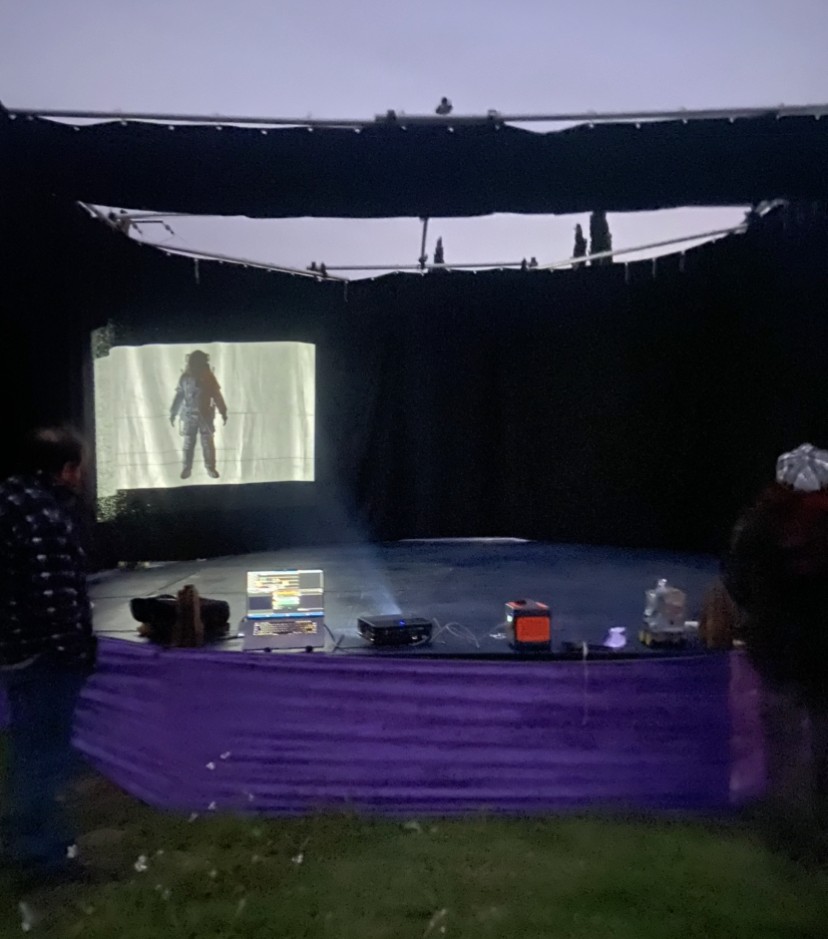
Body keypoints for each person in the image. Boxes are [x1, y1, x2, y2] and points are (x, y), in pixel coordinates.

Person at [0, 427, 97, 887]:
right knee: (45, 756)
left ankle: (22, 840)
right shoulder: (43, 516)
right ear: (66, 470)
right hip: (43, 656)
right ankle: (44, 859)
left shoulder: (9, 499)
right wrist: (75, 653)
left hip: (14, 650)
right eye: (80, 468)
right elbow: (53, 597)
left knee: (28, 752)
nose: (82, 478)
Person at [723, 443, 828, 803]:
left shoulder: (759, 523)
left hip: (776, 641)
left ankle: (789, 815)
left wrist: (755, 613)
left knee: (783, 731)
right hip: (818, 642)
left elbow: (737, 579)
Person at [169, 350, 228, 480]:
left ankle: (210, 467)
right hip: (189, 415)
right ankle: (187, 468)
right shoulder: (185, 378)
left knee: (207, 443)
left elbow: (217, 395)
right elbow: (179, 396)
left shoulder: (209, 377)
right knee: (189, 443)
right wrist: (173, 412)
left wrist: (223, 411)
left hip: (205, 415)